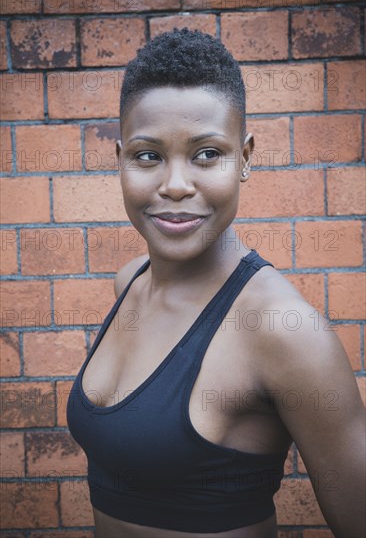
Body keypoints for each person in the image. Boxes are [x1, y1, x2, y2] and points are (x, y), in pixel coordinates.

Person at [67, 28, 365, 538]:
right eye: (147, 155)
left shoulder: (281, 330)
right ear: (119, 158)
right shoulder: (130, 284)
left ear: (245, 157)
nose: (176, 184)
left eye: (207, 154)